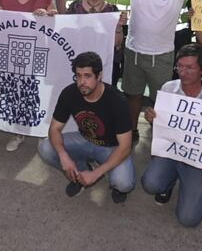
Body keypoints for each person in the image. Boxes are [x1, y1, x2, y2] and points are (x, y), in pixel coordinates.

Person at [92, 0, 202, 142]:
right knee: (132, 95)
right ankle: (132, 130)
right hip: (133, 51)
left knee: (160, 99)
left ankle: (159, 134)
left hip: (161, 55)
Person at [141, 44, 202, 227]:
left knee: (188, 219)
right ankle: (169, 183)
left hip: (199, 160)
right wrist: (152, 118)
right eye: (179, 66)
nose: (183, 72)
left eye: (190, 67)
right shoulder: (167, 88)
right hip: (171, 152)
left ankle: (193, 188)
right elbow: (161, 125)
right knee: (150, 183)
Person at [37, 51, 135, 203]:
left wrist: (97, 174)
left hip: (112, 147)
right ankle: (81, 172)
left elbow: (126, 147)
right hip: (84, 139)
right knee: (46, 148)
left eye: (87, 76)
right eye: (78, 75)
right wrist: (64, 156)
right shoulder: (69, 93)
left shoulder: (117, 100)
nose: (82, 82)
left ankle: (105, 177)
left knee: (123, 183)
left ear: (99, 76)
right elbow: (54, 129)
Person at [0, 0, 56, 151]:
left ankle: (40, 130)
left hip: (37, 52)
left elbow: (56, 21)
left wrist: (47, 15)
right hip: (12, 51)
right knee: (14, 92)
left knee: (36, 92)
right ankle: (18, 132)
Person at [66, 0, 125, 84]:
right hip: (78, 63)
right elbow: (66, 33)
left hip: (104, 65)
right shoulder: (74, 7)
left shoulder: (113, 10)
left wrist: (118, 26)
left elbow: (117, 44)